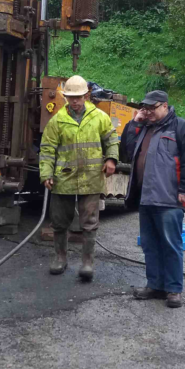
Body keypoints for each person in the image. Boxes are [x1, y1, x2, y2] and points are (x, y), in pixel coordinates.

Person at [120, 90, 185, 308]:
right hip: (146, 198)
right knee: (149, 244)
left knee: (171, 244)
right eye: (145, 108)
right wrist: (134, 123)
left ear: (165, 106)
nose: (148, 112)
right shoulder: (144, 128)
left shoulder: (181, 128)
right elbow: (126, 153)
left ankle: (174, 289)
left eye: (152, 108)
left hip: (169, 199)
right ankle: (155, 285)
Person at [38, 75, 119, 281]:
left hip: (91, 179)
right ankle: (60, 258)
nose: (74, 101)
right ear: (65, 97)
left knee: (90, 223)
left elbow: (111, 139)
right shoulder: (57, 121)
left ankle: (87, 262)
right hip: (63, 180)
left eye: (78, 97)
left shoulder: (99, 117)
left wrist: (111, 159)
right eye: (70, 97)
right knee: (59, 222)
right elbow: (47, 150)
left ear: (86, 95)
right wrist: (46, 173)